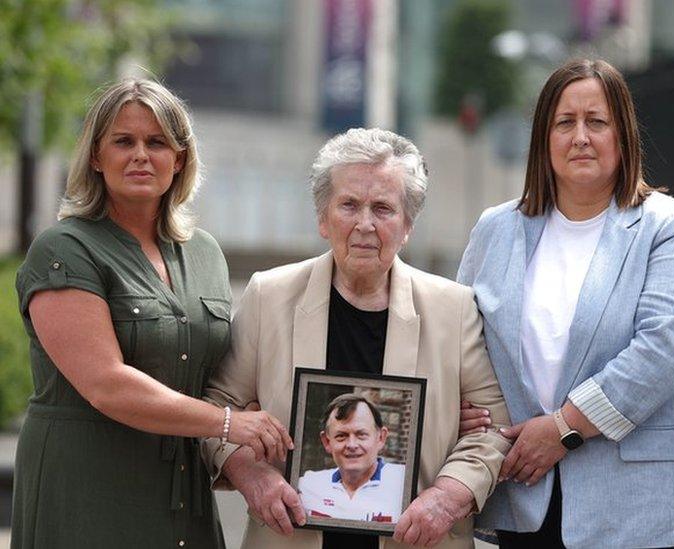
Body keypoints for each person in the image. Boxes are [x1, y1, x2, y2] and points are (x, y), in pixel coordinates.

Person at [11, 79, 292, 549]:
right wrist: (228, 423)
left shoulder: (206, 254)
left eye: (157, 142)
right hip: (87, 495)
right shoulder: (62, 249)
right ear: (96, 157)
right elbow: (106, 384)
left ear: (179, 158)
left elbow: (228, 376)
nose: (141, 154)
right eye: (124, 141)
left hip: (182, 498)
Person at [202, 127, 512, 549]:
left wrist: (448, 496)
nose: (365, 223)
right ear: (323, 218)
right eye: (349, 204)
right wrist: (250, 474)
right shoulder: (268, 297)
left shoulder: (453, 309)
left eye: (383, 208)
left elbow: (492, 429)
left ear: (407, 226)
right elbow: (217, 409)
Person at [457, 58, 674, 548]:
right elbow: (463, 341)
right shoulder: (496, 229)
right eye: (564, 123)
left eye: (597, 122)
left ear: (623, 136)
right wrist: (466, 407)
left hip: (639, 510)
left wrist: (563, 429)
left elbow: (666, 350)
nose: (580, 137)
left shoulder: (671, 227)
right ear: (543, 138)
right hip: (524, 498)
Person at [298, 394, 406, 522]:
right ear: (327, 442)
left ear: (381, 438)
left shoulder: (405, 482)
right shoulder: (308, 485)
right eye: (341, 436)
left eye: (361, 435)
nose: (352, 445)